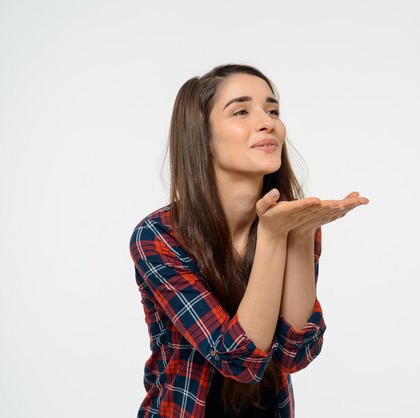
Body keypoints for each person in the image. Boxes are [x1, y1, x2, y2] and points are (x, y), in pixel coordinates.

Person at [129, 63, 368, 418]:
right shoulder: (159, 236)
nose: (267, 122)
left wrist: (299, 236)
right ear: (203, 137)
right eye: (241, 111)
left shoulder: (295, 222)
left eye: (272, 110)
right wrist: (274, 236)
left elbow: (295, 354)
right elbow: (240, 359)